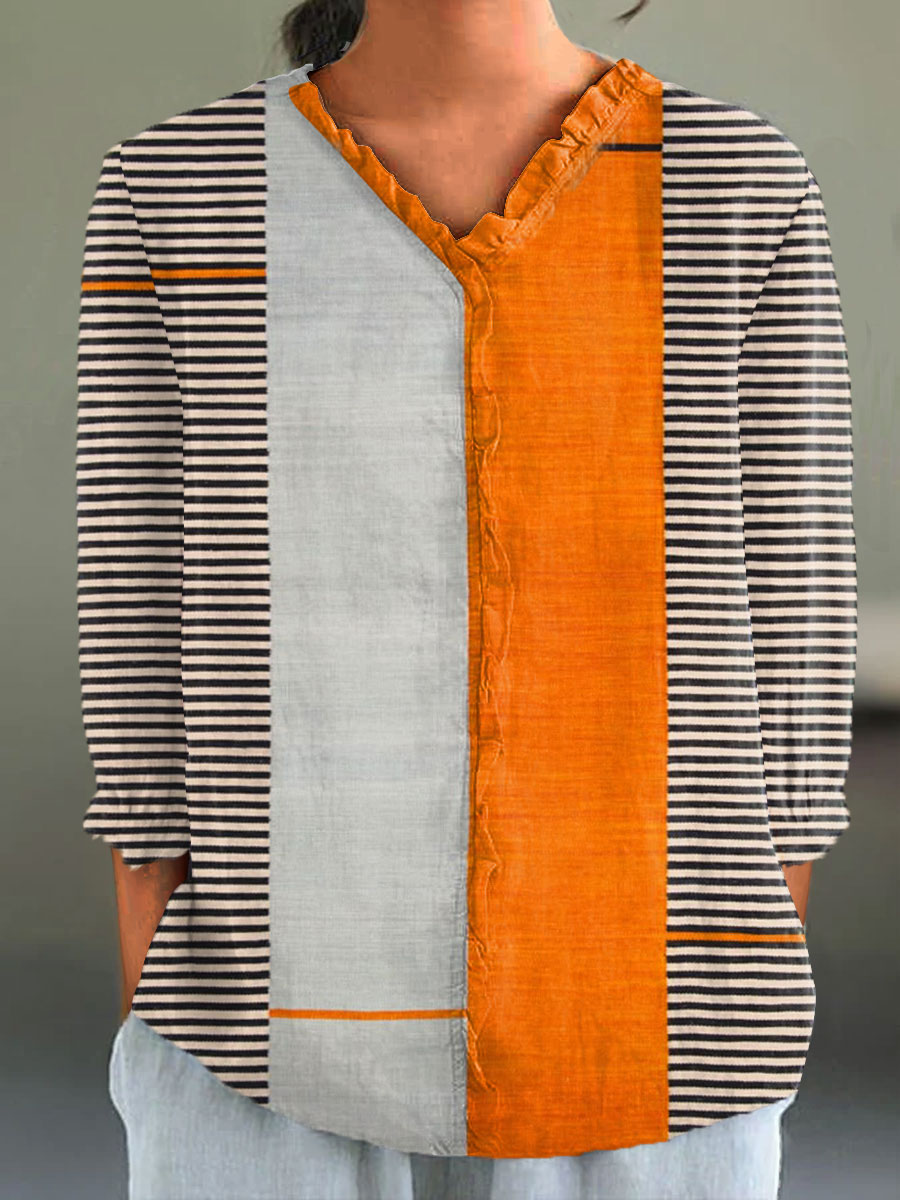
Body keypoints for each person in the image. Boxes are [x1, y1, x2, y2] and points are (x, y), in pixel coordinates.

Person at [77, 0, 856, 1196]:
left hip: (654, 1009)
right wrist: (151, 903)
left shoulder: (730, 179)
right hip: (255, 1007)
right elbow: (140, 565)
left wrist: (759, 909)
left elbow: (792, 571)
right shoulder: (184, 182)